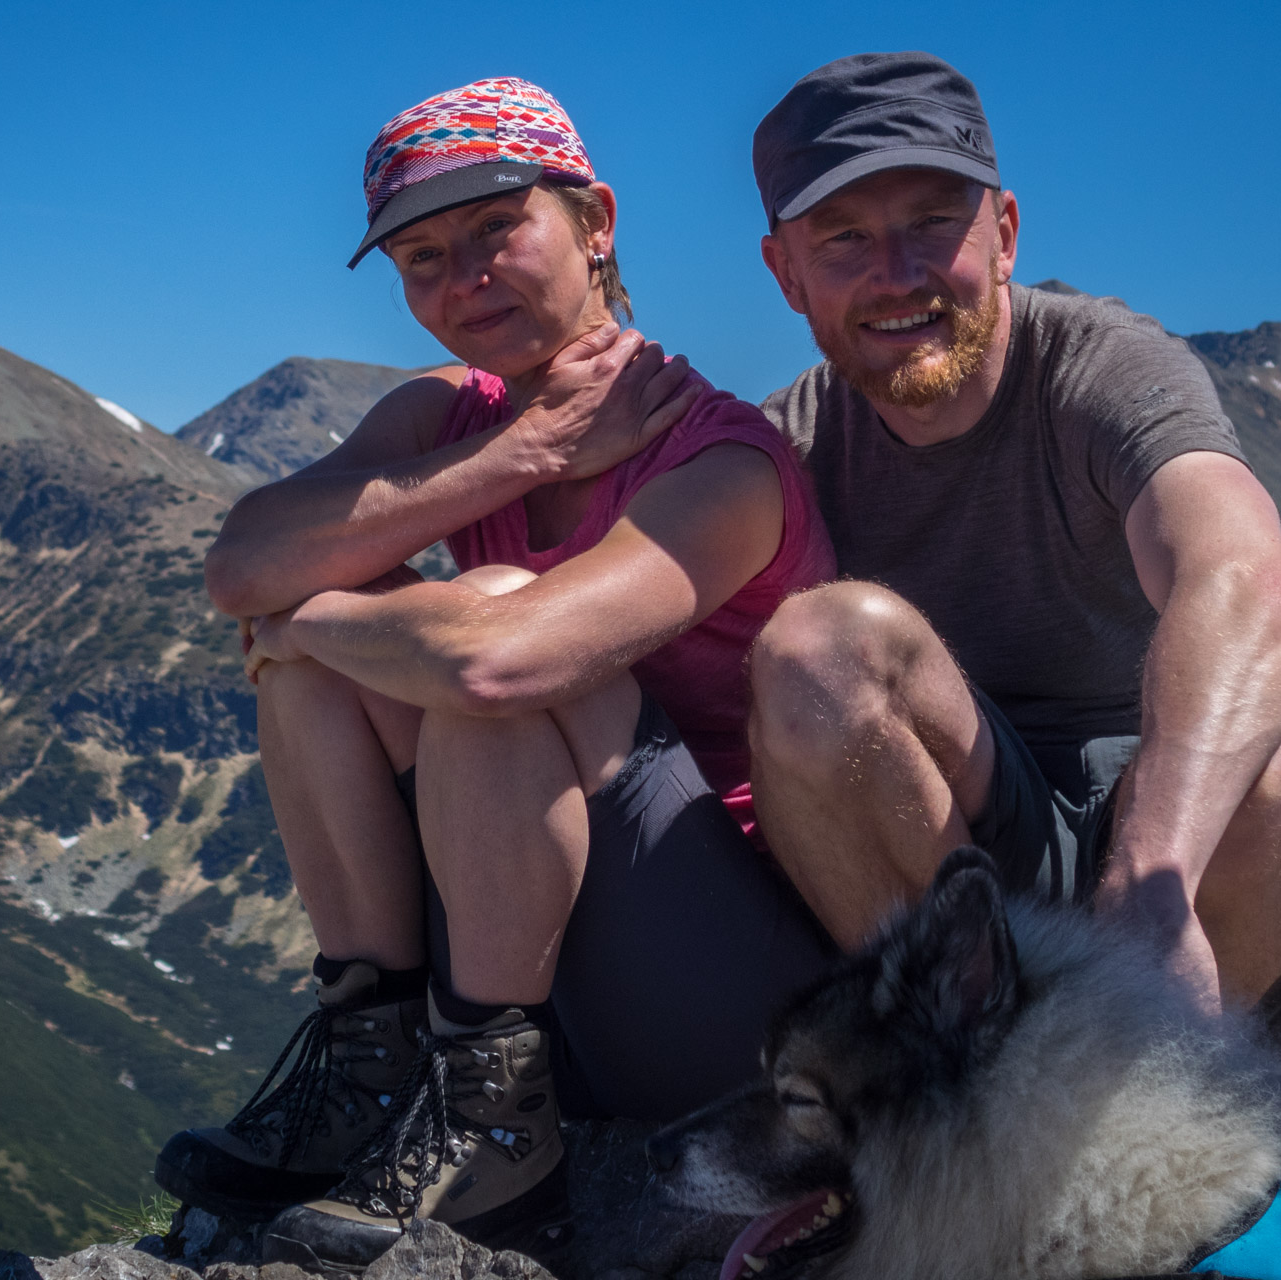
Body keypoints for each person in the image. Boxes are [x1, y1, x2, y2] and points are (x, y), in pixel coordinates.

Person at [155, 78, 837, 1270]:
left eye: (494, 230)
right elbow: (241, 564)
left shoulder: (724, 458)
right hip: (553, 967)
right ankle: (374, 1070)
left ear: (595, 221)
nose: (461, 276)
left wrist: (311, 620)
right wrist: (520, 452)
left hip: (737, 1005)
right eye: (422, 257)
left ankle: (494, 1121)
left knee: (485, 619)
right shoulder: (452, 417)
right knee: (343, 664)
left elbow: (502, 659)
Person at [743, 52, 1281, 1054]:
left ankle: (1192, 1101)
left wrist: (1150, 881)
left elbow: (1241, 582)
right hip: (962, 851)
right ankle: (952, 1077)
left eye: (932, 224)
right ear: (785, 273)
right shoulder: (786, 446)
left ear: (1004, 234)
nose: (896, 274)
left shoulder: (1108, 370)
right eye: (845, 238)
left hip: (1185, 853)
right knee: (815, 647)